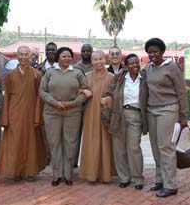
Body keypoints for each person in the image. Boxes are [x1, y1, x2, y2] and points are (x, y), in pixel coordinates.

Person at [144, 38, 188, 198]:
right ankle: (160, 180)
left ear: (162, 52)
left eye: (155, 51)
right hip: (151, 111)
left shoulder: (172, 67)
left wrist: (183, 117)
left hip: (168, 110)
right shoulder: (148, 68)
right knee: (155, 147)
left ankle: (171, 185)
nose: (152, 54)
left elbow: (182, 92)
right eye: (149, 52)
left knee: (166, 147)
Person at [40, 47, 89, 186]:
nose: (67, 59)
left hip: (72, 113)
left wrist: (73, 103)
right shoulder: (49, 73)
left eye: (69, 56)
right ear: (58, 58)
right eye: (64, 56)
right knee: (54, 143)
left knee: (70, 143)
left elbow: (86, 91)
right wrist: (55, 103)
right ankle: (56, 175)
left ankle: (68, 175)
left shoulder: (78, 73)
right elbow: (42, 91)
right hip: (52, 113)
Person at [0, 45, 47, 181]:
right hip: (14, 114)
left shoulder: (37, 75)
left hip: (31, 113)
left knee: (31, 143)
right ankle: (16, 170)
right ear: (17, 56)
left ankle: (30, 171)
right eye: (22, 54)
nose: (24, 57)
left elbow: (39, 97)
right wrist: (5, 117)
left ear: (30, 56)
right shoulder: (9, 76)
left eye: (27, 54)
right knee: (15, 142)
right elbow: (6, 97)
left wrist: (38, 116)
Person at [108, 53, 147, 190]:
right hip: (119, 113)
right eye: (132, 63)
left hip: (136, 114)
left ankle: (137, 178)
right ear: (126, 65)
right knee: (119, 148)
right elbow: (109, 92)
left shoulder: (144, 78)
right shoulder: (119, 78)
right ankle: (124, 177)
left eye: (137, 62)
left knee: (134, 147)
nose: (135, 65)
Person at [79, 50, 116, 183]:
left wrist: (108, 99)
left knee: (105, 142)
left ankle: (106, 175)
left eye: (100, 59)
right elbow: (78, 90)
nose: (98, 62)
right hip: (90, 113)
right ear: (92, 61)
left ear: (105, 60)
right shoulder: (86, 76)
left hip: (105, 113)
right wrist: (83, 91)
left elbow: (116, 94)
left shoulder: (111, 76)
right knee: (91, 142)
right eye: (95, 59)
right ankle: (91, 175)